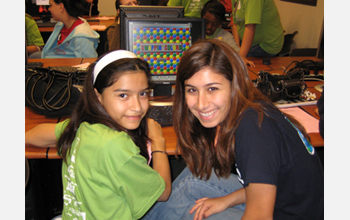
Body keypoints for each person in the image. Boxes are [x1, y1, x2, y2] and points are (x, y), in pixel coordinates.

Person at [142, 39, 324, 220]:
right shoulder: (253, 108)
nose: (201, 104)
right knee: (193, 177)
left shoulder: (253, 129)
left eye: (212, 88)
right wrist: (226, 200)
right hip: (278, 200)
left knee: (196, 213)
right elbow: (267, 182)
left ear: (234, 85)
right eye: (192, 90)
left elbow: (260, 216)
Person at [25, 50, 171, 219]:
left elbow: (43, 133)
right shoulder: (116, 146)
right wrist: (158, 143)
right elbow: (163, 193)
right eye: (123, 95)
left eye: (143, 93)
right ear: (98, 96)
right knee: (191, 187)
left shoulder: (83, 125)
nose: (137, 107)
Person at [31, 0, 100, 58]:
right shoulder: (60, 25)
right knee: (33, 56)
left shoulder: (81, 37)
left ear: (61, 7)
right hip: (55, 63)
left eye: (51, 5)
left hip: (65, 69)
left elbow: (86, 64)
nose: (49, 9)